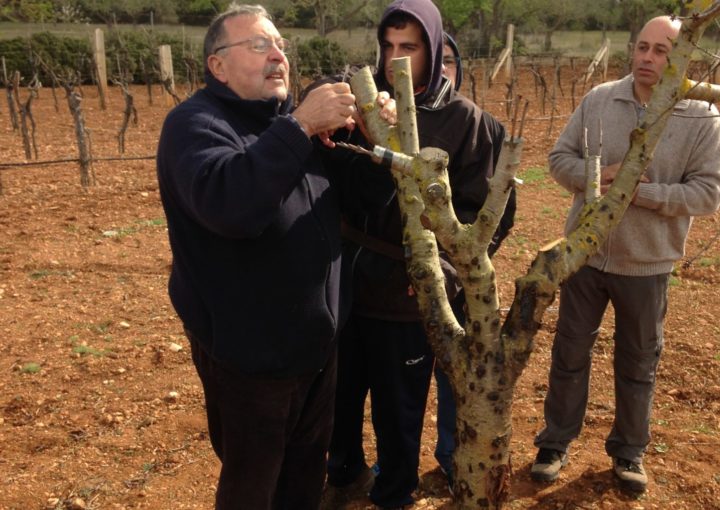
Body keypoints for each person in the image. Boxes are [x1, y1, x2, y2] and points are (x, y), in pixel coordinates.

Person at [156, 4, 393, 509]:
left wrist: (374, 144)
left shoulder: (289, 126)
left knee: (305, 477)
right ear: (217, 65)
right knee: (253, 485)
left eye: (281, 45)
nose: (278, 56)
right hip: (251, 358)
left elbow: (363, 202)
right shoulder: (194, 126)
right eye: (259, 46)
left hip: (316, 348)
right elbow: (234, 208)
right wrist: (300, 126)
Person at [322, 1, 510, 508]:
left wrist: (442, 272)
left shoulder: (471, 125)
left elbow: (487, 214)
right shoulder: (365, 104)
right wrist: (362, 131)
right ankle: (342, 474)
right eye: (388, 46)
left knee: (398, 408)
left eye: (409, 47)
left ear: (434, 47)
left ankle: (394, 491)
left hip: (407, 292)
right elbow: (343, 186)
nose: (394, 58)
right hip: (346, 281)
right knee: (339, 395)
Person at [531, 16, 720, 493]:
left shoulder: (700, 115)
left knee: (639, 360)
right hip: (585, 255)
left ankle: (629, 452)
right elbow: (559, 161)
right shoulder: (601, 100)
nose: (647, 58)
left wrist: (644, 193)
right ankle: (555, 442)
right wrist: (607, 177)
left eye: (662, 50)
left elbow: (708, 194)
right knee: (570, 352)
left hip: (648, 263)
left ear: (682, 58)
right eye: (642, 47)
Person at [432, 32, 516, 489]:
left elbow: (499, 212)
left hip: (461, 276)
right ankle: (389, 463)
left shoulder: (483, 127)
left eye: (448, 61)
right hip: (396, 279)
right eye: (433, 59)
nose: (440, 69)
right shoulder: (385, 125)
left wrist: (458, 265)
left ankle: (451, 453)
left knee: (456, 372)